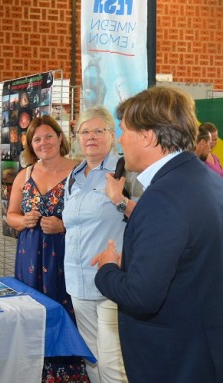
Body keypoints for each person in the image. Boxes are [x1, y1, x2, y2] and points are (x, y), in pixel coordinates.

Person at [92, 86, 223, 383]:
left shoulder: (163, 197)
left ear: (148, 136)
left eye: (124, 131)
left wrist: (108, 269)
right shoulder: (207, 180)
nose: (120, 140)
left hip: (175, 361)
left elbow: (141, 297)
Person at [6, 116, 89, 382]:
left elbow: (94, 217)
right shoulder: (24, 175)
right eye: (37, 139)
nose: (44, 143)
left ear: (60, 138)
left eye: (49, 136)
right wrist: (24, 221)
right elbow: (11, 215)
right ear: (31, 144)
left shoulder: (80, 171)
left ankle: (69, 374)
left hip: (67, 255)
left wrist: (64, 225)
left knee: (64, 311)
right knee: (32, 311)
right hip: (29, 255)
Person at [62, 106, 132, 383]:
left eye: (98, 131)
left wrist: (121, 200)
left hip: (111, 283)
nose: (91, 137)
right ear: (77, 136)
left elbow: (150, 217)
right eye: (85, 131)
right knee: (91, 359)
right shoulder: (73, 177)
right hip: (78, 283)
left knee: (114, 363)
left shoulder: (126, 171)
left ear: (112, 135)